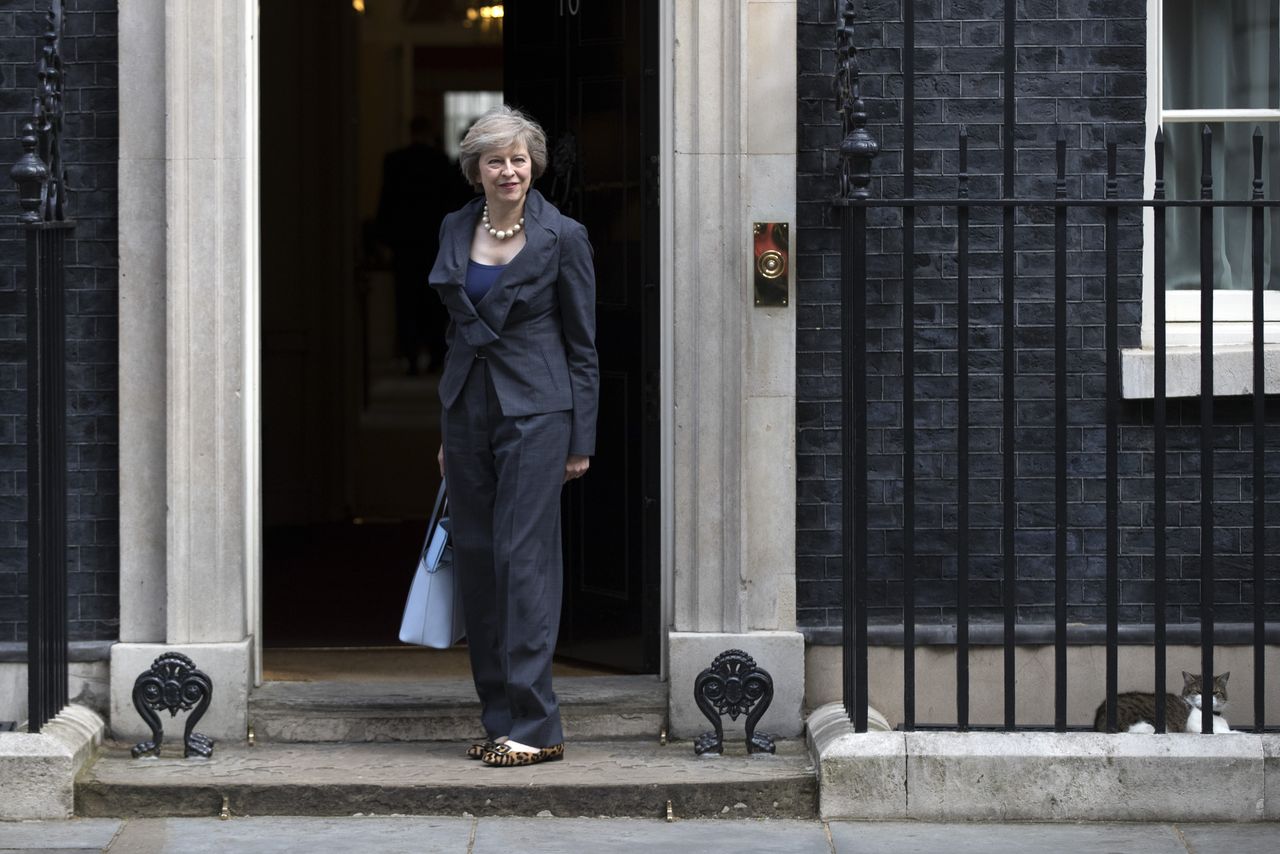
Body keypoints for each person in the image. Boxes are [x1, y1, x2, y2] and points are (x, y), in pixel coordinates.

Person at [429, 105, 598, 767]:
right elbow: (454, 335)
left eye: (519, 159)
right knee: (475, 558)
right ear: (477, 169)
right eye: (496, 160)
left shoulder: (565, 238)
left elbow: (583, 346)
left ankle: (537, 724)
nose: (509, 170)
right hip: (467, 411)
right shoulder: (453, 227)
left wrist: (580, 438)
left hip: (537, 415)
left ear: (534, 167)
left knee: (519, 560)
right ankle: (499, 718)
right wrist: (447, 426)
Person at [376, 116, 467, 374]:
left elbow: (387, 202)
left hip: (405, 244)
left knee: (406, 301)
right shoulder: (441, 163)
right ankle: (437, 354)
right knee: (435, 300)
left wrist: (383, 240)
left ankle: (411, 355)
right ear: (429, 132)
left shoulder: (394, 161)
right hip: (434, 243)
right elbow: (451, 204)